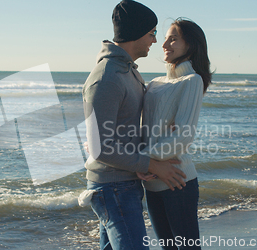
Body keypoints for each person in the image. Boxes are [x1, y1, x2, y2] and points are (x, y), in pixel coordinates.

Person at [81, 1, 188, 249]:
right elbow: (100, 147)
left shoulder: (129, 72)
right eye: (152, 33)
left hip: (123, 183)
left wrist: (161, 133)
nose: (154, 41)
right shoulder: (107, 77)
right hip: (112, 187)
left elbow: (123, 129)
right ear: (136, 33)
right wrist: (152, 164)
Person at [138, 18, 212, 249]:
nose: (164, 44)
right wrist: (142, 162)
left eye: (173, 38)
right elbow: (142, 128)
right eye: (165, 38)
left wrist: (144, 161)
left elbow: (183, 136)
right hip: (152, 183)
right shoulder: (154, 83)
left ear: (191, 44)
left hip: (179, 181)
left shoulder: (192, 81)